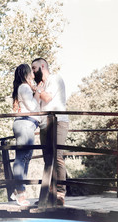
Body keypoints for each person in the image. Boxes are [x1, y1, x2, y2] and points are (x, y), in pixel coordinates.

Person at [31, 58, 69, 206]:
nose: (33, 73)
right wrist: (37, 89)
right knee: (47, 159)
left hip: (58, 121)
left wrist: (36, 89)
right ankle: (48, 195)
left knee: (57, 156)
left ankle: (60, 194)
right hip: (44, 124)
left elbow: (47, 98)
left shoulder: (55, 78)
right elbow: (35, 104)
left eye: (34, 69)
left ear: (42, 66)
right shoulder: (41, 85)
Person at [12, 63, 44, 206]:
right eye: (31, 71)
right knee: (22, 158)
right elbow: (33, 108)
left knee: (25, 158)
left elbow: (33, 105)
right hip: (25, 124)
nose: (33, 73)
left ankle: (18, 191)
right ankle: (20, 194)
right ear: (26, 73)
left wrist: (36, 93)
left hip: (27, 124)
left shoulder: (24, 88)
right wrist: (37, 91)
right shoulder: (24, 87)